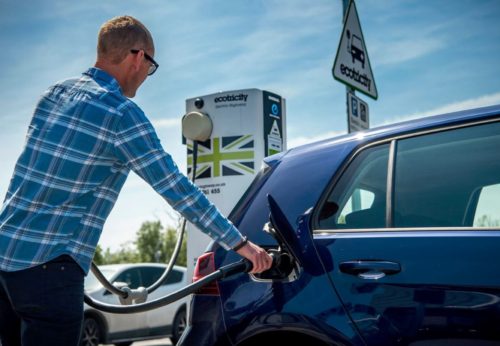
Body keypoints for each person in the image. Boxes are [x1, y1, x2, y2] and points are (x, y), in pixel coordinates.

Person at [0, 15, 272, 346]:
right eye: (150, 67)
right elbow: (177, 190)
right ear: (138, 57)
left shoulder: (54, 95)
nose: (146, 77)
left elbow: (24, 177)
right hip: (49, 273)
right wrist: (242, 244)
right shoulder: (121, 114)